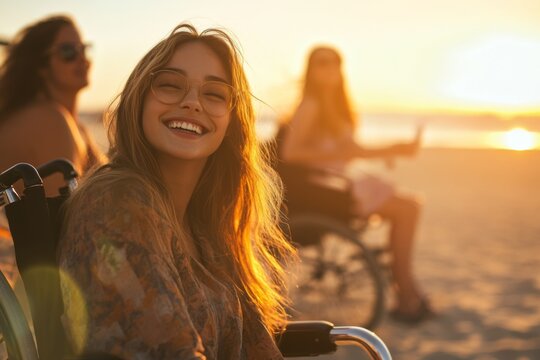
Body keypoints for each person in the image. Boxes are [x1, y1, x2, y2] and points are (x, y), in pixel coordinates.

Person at [58, 23, 296, 358]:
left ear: (231, 122)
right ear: (138, 100)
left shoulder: (204, 226)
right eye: (170, 86)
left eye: (214, 94)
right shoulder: (118, 205)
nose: (192, 103)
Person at [278, 45, 433, 323]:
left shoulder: (335, 107)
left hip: (336, 183)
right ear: (310, 70)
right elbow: (291, 153)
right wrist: (348, 154)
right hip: (321, 189)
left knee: (410, 206)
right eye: (322, 63)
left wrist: (393, 149)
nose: (330, 68)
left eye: (335, 62)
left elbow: (351, 149)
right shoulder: (310, 105)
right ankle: (407, 293)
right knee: (407, 210)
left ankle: (406, 291)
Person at [0, 15, 105, 285]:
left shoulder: (74, 126)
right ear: (41, 67)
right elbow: (63, 225)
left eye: (84, 49)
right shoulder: (49, 121)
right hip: (25, 280)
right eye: (68, 52)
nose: (82, 58)